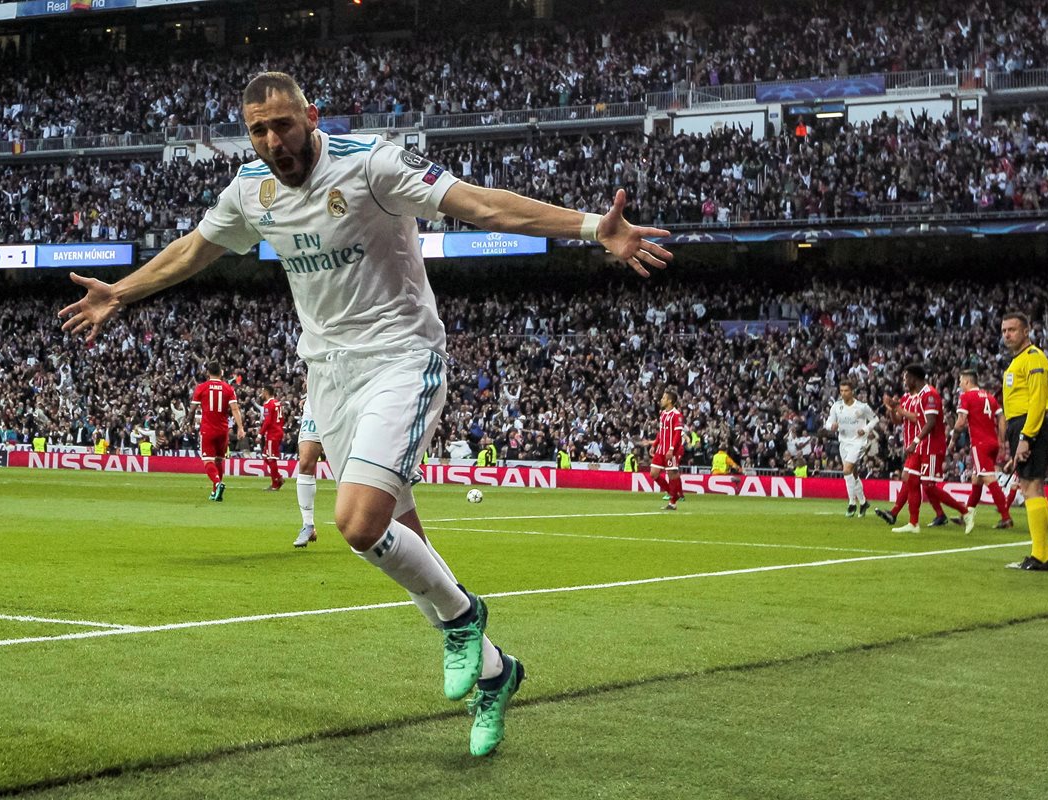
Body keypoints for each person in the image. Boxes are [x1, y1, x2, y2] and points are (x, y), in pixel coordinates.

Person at [57, 70, 671, 757]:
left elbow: (481, 206)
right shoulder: (249, 191)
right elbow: (194, 250)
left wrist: (593, 227)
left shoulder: (373, 164)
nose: (272, 139)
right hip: (328, 378)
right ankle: (497, 672)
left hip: (401, 360)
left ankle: (464, 621)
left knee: (357, 523)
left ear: (311, 116)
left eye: (283, 124)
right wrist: (122, 292)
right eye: (258, 129)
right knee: (406, 548)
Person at [879, 364, 975, 533]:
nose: (904, 381)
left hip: (931, 446)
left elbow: (929, 422)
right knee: (912, 481)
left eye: (906, 378)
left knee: (929, 486)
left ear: (913, 379)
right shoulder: (911, 396)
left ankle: (965, 512)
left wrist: (915, 440)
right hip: (919, 446)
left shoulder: (930, 394)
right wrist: (893, 409)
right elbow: (899, 420)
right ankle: (913, 523)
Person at [999, 312, 1048, 571]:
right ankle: (1041, 553)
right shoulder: (1017, 361)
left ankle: (1041, 556)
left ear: (1026, 331)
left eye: (1012, 329)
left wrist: (1026, 437)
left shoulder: (1034, 358)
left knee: (1032, 487)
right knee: (1032, 487)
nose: (1007, 334)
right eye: (1004, 330)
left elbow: (1037, 401)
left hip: (1029, 426)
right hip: (1020, 427)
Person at [952, 368, 1013, 529]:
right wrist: (1000, 440)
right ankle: (966, 514)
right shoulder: (990, 397)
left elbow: (960, 422)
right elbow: (1001, 418)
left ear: (967, 381)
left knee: (988, 478)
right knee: (976, 480)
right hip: (992, 442)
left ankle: (1006, 517)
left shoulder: (966, 397)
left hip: (979, 444)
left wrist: (952, 438)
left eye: (960, 381)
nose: (959, 385)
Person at [820, 379, 877, 518]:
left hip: (858, 442)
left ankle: (852, 503)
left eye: (846, 391)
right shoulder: (836, 406)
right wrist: (830, 426)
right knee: (853, 473)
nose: (843, 394)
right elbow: (828, 422)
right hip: (844, 442)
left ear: (852, 391)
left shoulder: (862, 407)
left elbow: (875, 419)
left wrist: (865, 429)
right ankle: (863, 502)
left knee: (846, 470)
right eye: (841, 391)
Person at [191, 362, 245, 502]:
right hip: (222, 430)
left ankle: (217, 483)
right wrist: (240, 427)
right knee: (219, 461)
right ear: (221, 372)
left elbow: (192, 409)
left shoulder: (201, 388)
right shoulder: (228, 388)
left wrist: (188, 422)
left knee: (208, 461)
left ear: (208, 373)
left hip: (208, 429)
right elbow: (234, 409)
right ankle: (215, 491)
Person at [645, 390, 685, 510]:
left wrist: (672, 449)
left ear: (670, 401)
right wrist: (654, 444)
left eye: (664, 398)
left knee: (672, 474)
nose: (661, 400)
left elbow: (678, 434)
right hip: (661, 449)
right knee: (653, 473)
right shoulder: (663, 414)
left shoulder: (677, 415)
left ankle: (672, 503)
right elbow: (661, 432)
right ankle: (674, 494)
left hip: (670, 450)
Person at [292, 394, 323, 547]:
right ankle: (308, 525)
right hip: (315, 403)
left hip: (345, 400)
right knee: (305, 464)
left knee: (345, 466)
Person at [259, 385, 285, 492]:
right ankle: (278, 478)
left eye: (262, 391)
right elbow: (282, 418)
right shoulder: (277, 403)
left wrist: (260, 434)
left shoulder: (268, 404)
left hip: (272, 434)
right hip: (278, 431)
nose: (261, 394)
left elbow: (267, 421)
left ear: (266, 392)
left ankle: (275, 483)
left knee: (270, 458)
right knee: (266, 456)